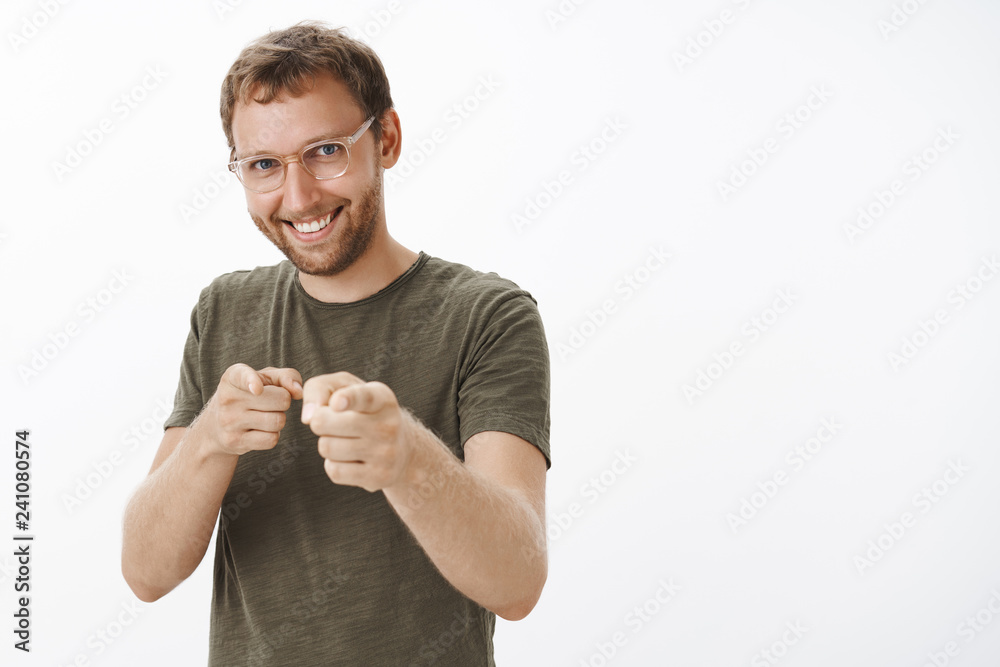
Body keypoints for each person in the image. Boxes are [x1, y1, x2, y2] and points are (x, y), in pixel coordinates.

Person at [120, 21, 551, 666]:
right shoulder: (224, 309)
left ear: (387, 139)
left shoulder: (488, 316)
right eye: (264, 165)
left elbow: (519, 583)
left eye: (325, 151)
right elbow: (145, 574)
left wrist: (407, 456)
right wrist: (210, 438)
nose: (297, 196)